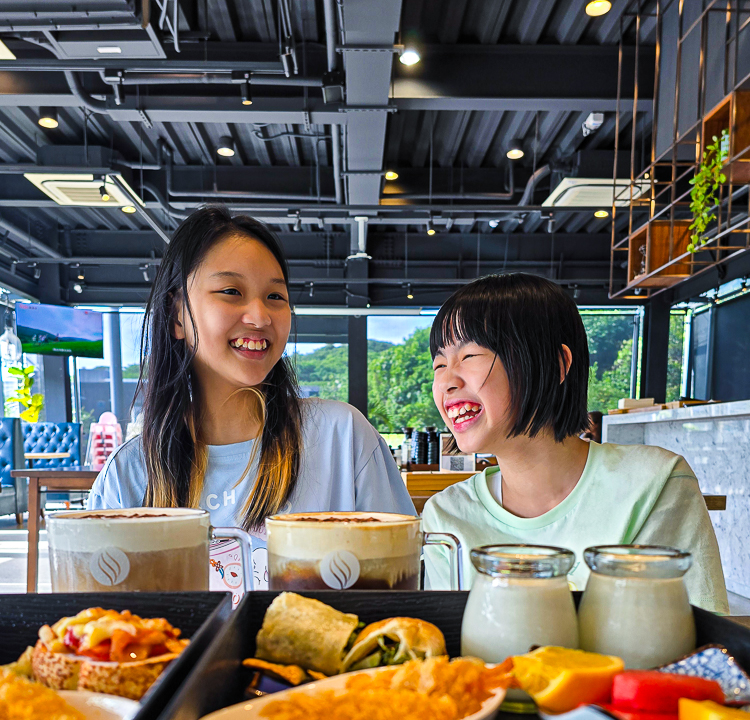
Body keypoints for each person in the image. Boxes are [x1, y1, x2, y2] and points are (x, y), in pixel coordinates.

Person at [88, 206, 414, 590]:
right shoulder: (130, 474)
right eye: (231, 291)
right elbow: (101, 625)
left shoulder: (341, 437)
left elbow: (401, 588)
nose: (260, 316)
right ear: (177, 315)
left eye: (275, 295)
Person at [422, 272, 728, 613]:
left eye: (468, 357)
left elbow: (694, 644)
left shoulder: (652, 484)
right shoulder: (446, 517)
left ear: (556, 364)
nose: (446, 381)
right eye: (438, 364)